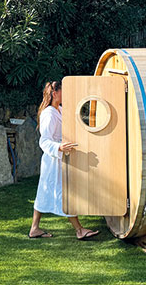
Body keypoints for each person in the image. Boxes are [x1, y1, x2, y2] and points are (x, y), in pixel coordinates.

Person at [29, 80, 100, 240]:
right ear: (55, 93)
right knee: (64, 193)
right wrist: (59, 148)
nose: (66, 93)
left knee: (45, 191)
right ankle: (79, 230)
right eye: (63, 91)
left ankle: (34, 229)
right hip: (53, 160)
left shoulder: (59, 110)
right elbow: (44, 140)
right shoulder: (49, 114)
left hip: (59, 159)